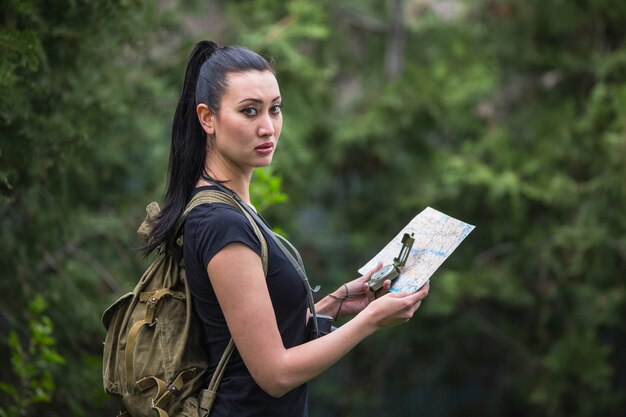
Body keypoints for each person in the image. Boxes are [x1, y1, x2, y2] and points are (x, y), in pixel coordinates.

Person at [145, 40, 429, 417]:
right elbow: (274, 373)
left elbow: (256, 332)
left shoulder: (229, 207)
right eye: (249, 111)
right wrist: (371, 321)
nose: (268, 127)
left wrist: (340, 302)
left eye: (274, 109)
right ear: (207, 118)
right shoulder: (221, 223)